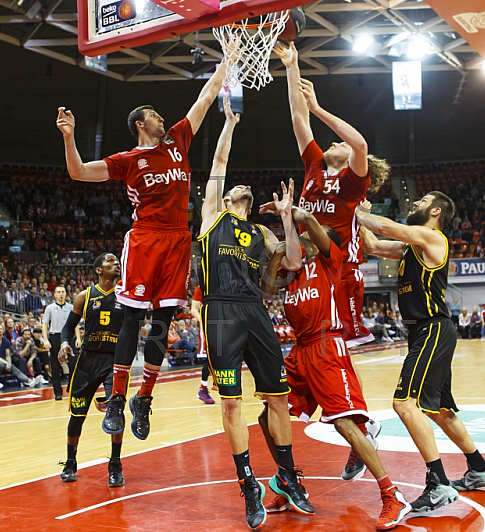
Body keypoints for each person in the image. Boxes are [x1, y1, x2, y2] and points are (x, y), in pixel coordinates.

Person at [57, 58, 231, 442]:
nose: (162, 118)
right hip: (146, 238)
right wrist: (69, 136)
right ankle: (118, 398)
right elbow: (79, 172)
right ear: (140, 124)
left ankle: (143, 399)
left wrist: (226, 62)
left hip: (177, 239)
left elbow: (205, 97)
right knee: (132, 319)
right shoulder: (128, 160)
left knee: (164, 321)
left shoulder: (178, 140)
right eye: (154, 115)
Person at [197, 98, 312, 529]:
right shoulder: (212, 216)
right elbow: (220, 160)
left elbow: (295, 262)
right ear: (225, 198)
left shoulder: (260, 231)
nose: (240, 188)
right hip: (222, 313)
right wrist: (228, 123)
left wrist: (287, 220)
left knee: (277, 398)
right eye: (232, 189)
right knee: (231, 406)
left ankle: (285, 475)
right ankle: (247, 484)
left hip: (256, 311)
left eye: (243, 189)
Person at [261, 203, 409, 530]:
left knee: (343, 423)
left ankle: (391, 495)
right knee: (267, 415)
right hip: (300, 350)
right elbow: (268, 286)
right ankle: (288, 480)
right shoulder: (292, 273)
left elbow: (311, 222)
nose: (298, 238)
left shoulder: (329, 261)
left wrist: (293, 213)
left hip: (328, 345)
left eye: (303, 236)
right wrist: (276, 241)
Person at [357, 192, 485, 513]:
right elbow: (374, 245)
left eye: (421, 201)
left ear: (435, 211)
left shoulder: (432, 238)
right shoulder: (411, 247)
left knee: (404, 404)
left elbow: (384, 226)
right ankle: (480, 469)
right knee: (438, 409)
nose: (414, 204)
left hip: (432, 328)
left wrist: (353, 206)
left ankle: (438, 483)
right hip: (424, 331)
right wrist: (357, 218)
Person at [274, 41, 389, 349]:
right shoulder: (315, 164)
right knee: (311, 342)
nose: (336, 143)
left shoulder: (353, 182)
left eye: (341, 144)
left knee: (341, 346)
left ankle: (350, 397)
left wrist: (318, 108)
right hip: (306, 264)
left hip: (340, 268)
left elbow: (360, 145)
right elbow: (299, 119)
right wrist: (291, 66)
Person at [58, 253, 125, 488]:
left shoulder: (125, 297)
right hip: (87, 361)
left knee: (117, 415)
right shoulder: (83, 297)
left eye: (117, 261)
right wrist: (65, 343)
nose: (116, 263)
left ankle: (115, 464)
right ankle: (70, 462)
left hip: (114, 362)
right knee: (77, 416)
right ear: (98, 270)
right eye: (110, 261)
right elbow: (67, 328)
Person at [42, 286, 73, 400]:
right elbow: (45, 324)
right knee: (55, 366)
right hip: (55, 336)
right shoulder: (50, 308)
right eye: (58, 292)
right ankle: (58, 393)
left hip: (68, 336)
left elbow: (75, 325)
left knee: (73, 364)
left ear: (66, 294)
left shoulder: (71, 307)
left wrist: (78, 338)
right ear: (54, 294)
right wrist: (45, 339)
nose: (61, 294)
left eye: (63, 292)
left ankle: (71, 387)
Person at [190, 285, 215, 405]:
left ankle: (218, 383)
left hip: (224, 322)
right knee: (210, 358)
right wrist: (203, 320)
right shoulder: (201, 287)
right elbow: (193, 309)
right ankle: (203, 389)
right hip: (208, 323)